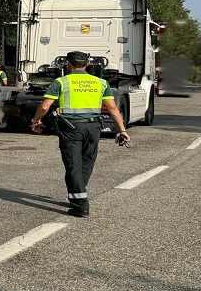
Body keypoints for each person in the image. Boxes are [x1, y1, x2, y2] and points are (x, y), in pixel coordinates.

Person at [29, 51, 130, 217]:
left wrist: (36, 120)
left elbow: (45, 106)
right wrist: (122, 130)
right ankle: (77, 193)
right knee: (87, 162)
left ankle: (80, 205)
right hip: (94, 127)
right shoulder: (101, 83)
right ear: (88, 64)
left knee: (73, 165)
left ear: (68, 63)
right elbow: (113, 108)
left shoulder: (61, 82)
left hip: (71, 128)